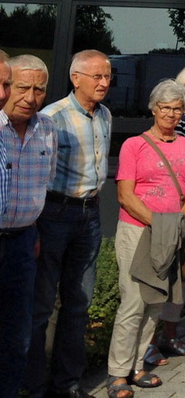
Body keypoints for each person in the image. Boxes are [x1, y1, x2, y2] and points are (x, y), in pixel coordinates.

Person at [27, 50, 112, 398]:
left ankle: (67, 385)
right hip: (54, 213)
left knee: (79, 302)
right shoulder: (52, 117)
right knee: (43, 304)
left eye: (108, 76)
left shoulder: (105, 114)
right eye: (97, 76)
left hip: (89, 214)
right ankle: (33, 386)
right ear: (76, 78)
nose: (105, 83)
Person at [106, 80, 185, 398]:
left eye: (177, 108)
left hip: (171, 231)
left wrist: (175, 222)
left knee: (156, 303)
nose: (171, 114)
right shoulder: (134, 144)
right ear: (153, 108)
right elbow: (125, 195)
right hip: (138, 230)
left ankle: (137, 366)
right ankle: (117, 372)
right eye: (165, 107)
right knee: (133, 301)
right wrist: (159, 223)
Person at [0, 55, 57, 398]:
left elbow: (45, 184)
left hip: (22, 244)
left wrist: (32, 230)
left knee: (17, 335)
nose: (30, 97)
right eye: (21, 87)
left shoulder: (47, 129)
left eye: (39, 89)